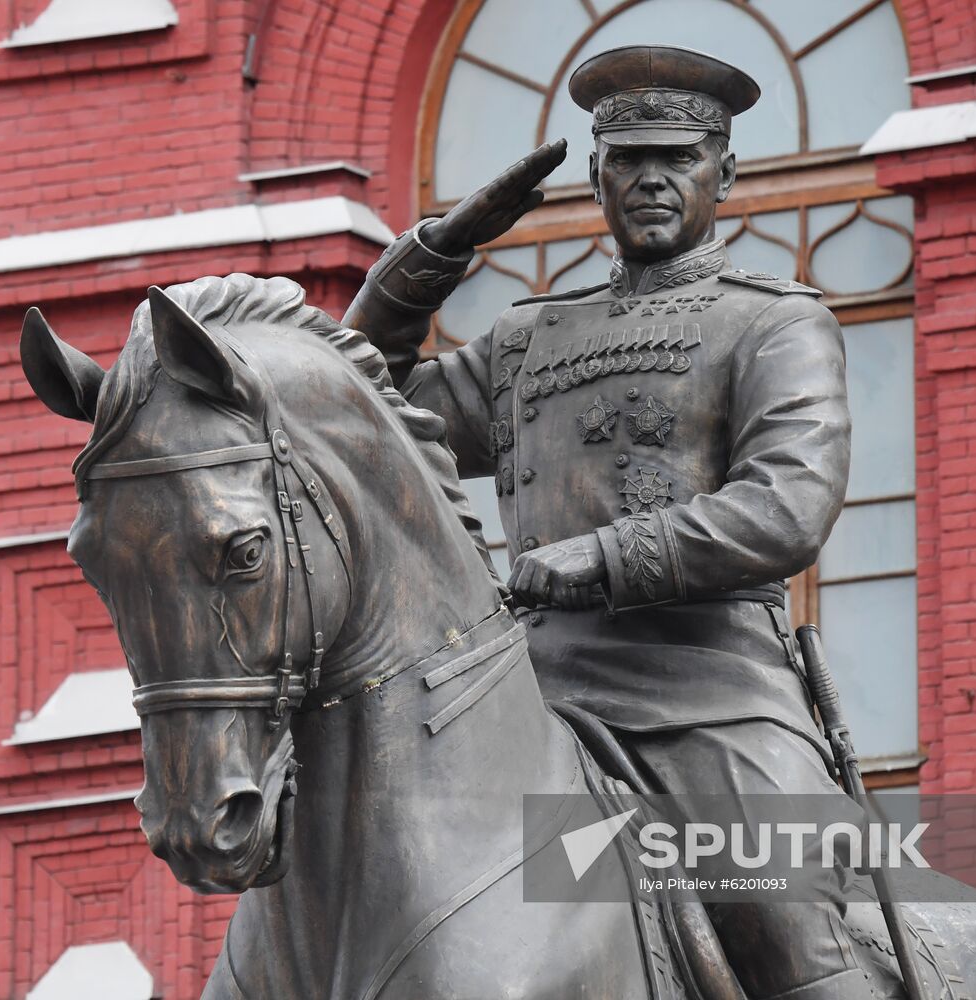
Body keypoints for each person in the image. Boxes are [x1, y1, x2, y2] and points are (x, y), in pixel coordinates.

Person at [346, 44, 872, 1000]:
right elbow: (366, 411)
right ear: (596, 175)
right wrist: (430, 259)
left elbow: (786, 506)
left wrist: (599, 556)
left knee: (789, 936)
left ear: (726, 171)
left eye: (677, 158)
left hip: (707, 694)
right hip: (532, 698)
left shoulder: (773, 324)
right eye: (629, 161)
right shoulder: (526, 338)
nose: (652, 180)